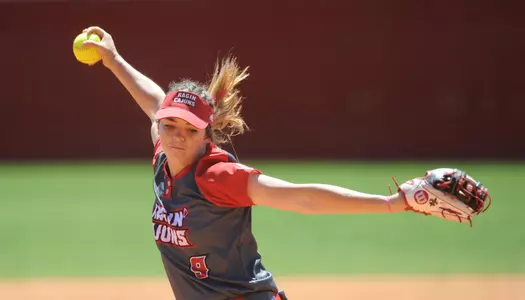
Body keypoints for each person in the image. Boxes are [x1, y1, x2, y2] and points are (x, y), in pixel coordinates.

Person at [80, 26, 429, 300]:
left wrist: (391, 203)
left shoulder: (217, 176)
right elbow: (156, 101)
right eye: (170, 124)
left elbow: (301, 196)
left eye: (190, 128)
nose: (178, 135)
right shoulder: (163, 158)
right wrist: (113, 60)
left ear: (206, 134)